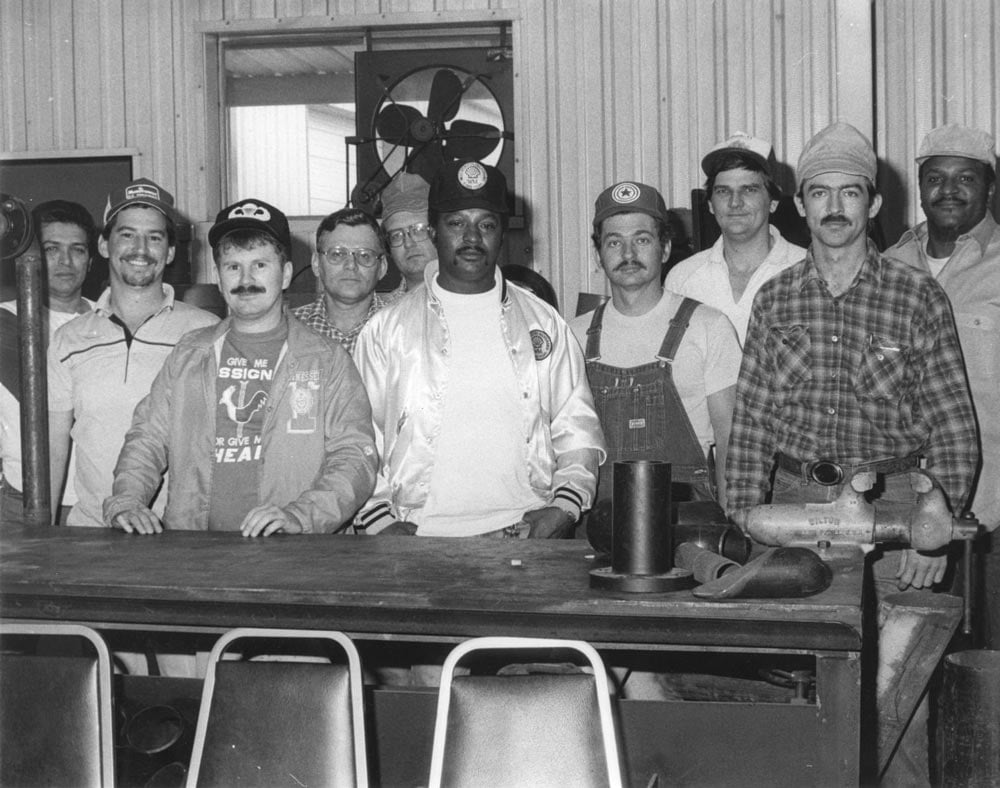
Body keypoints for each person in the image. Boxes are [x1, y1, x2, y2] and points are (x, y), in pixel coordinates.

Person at [725, 123, 979, 783]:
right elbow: (752, 417)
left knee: (899, 712)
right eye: (819, 193)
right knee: (803, 698)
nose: (835, 207)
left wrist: (935, 529)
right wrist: (745, 517)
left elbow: (952, 421)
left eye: (850, 193)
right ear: (800, 205)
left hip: (893, 515)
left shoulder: (918, 296)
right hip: (795, 512)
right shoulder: (777, 300)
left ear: (872, 204)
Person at [354, 160, 605, 537]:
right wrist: (380, 522)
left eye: (486, 225)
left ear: (503, 235)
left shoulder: (544, 323)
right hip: (417, 537)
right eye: (456, 223)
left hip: (524, 534)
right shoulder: (386, 331)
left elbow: (577, 427)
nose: (472, 238)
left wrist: (564, 506)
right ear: (434, 232)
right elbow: (359, 439)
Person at [103, 198, 377, 535]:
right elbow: (147, 437)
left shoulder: (327, 361)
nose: (246, 279)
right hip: (194, 549)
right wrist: (127, 499)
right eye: (233, 267)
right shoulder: (189, 354)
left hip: (293, 555)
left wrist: (301, 516)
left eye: (260, 265)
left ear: (286, 273)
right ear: (218, 277)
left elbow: (354, 457)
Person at [47, 178, 219, 527]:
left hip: (181, 535)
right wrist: (42, 536)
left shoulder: (207, 332)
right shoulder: (69, 340)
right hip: (92, 531)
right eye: (127, 234)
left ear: (170, 251)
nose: (140, 248)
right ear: (104, 245)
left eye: (155, 237)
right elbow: (53, 451)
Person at [886, 124, 1000, 647]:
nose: (948, 189)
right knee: (913, 667)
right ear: (919, 185)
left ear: (990, 187)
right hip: (903, 511)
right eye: (936, 178)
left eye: (965, 178)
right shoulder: (885, 267)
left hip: (993, 509)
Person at [570, 182, 740, 525]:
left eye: (642, 240)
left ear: (664, 248)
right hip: (598, 524)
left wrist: (730, 523)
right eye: (614, 241)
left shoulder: (709, 327)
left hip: (687, 523)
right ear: (598, 254)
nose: (628, 253)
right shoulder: (573, 336)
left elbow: (731, 442)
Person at [665, 133, 806, 344]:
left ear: (773, 202)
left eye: (749, 190)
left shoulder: (806, 270)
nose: (735, 202)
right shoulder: (683, 279)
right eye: (723, 191)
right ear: (711, 204)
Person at [292, 207, 389, 354]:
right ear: (316, 264)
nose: (351, 265)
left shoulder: (401, 326)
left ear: (382, 267)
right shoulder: (288, 328)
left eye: (364, 255)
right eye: (337, 254)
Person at [379, 172, 437, 300]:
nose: (408, 243)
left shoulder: (473, 301)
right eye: (397, 235)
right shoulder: (382, 315)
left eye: (418, 229)